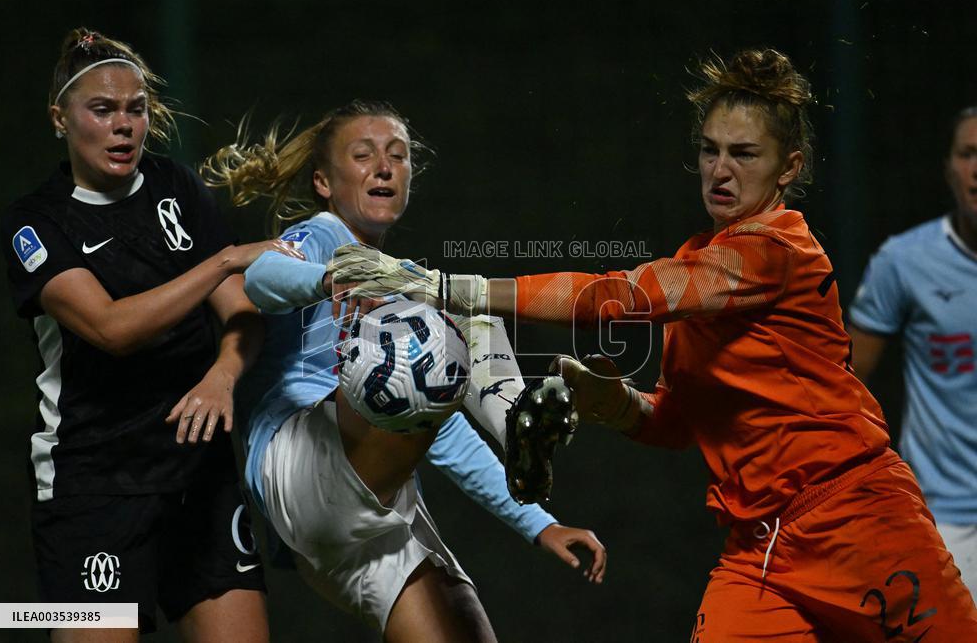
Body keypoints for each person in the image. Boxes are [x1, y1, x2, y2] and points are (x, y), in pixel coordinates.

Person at [329, 50, 977, 639]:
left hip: (855, 519)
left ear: (790, 167)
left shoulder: (775, 251)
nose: (720, 170)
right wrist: (609, 401)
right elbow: (677, 420)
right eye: (710, 149)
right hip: (758, 552)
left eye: (744, 154)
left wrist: (443, 286)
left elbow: (612, 297)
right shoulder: (701, 264)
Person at [202, 99, 606, 642]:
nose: (385, 167)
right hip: (300, 461)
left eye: (398, 155)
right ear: (323, 181)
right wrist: (328, 279)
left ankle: (514, 421)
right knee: (446, 319)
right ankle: (513, 415)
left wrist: (538, 523)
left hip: (364, 506)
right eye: (363, 155)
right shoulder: (324, 237)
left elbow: (445, 434)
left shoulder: (403, 283)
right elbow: (263, 276)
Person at [0, 29, 301, 642]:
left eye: (136, 110)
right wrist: (221, 260)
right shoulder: (35, 221)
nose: (124, 126)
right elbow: (112, 328)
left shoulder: (177, 187)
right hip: (94, 488)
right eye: (102, 110)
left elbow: (241, 317)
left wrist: (222, 378)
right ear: (60, 118)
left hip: (200, 479)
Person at [848, 106, 977, 595]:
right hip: (942, 525)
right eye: (969, 154)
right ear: (949, 168)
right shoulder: (904, 262)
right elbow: (844, 385)